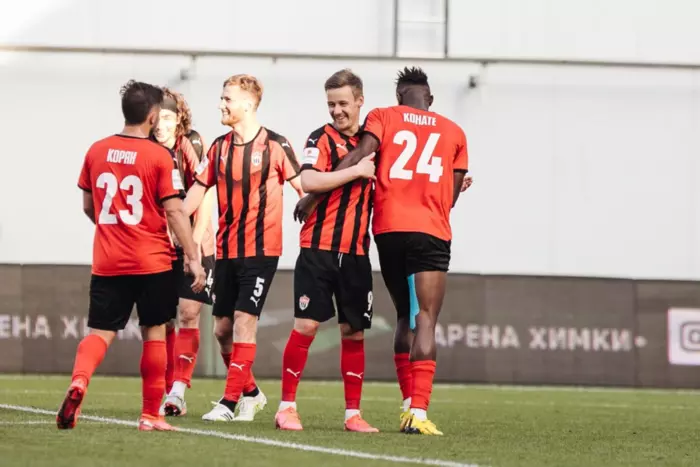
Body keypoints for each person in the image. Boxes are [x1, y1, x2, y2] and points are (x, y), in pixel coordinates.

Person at [294, 67, 470, 435]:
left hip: (388, 230)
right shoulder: (454, 132)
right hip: (430, 230)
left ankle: (407, 404)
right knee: (425, 317)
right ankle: (416, 411)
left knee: (404, 314)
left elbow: (361, 155)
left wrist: (312, 196)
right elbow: (450, 199)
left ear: (399, 97)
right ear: (430, 99)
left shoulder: (384, 117)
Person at [57, 80, 206, 432]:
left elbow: (89, 206)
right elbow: (175, 211)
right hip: (153, 261)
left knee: (101, 332)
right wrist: (192, 256)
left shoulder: (96, 150)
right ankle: (150, 415)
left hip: (108, 261)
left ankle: (79, 380)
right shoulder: (159, 156)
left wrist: (114, 230)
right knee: (154, 333)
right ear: (153, 116)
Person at [183, 74, 304, 422]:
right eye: (222, 98)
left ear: (248, 104)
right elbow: (195, 193)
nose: (221, 104)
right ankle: (251, 393)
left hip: (262, 252)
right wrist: (171, 221)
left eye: (227, 99)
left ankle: (228, 403)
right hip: (227, 251)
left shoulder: (276, 145)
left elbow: (303, 188)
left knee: (243, 321)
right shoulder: (218, 148)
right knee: (222, 331)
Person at [275, 69, 378, 433]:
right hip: (317, 249)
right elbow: (308, 180)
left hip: (356, 253)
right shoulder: (319, 138)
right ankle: (286, 408)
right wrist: (356, 171)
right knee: (306, 326)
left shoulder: (374, 143)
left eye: (343, 103)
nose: (337, 111)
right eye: (331, 104)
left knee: (354, 332)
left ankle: (353, 414)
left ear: (360, 101)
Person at [152, 88, 216, 417]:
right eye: (156, 118)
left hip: (196, 242)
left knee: (189, 312)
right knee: (162, 319)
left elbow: (205, 195)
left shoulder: (191, 143)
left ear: (179, 119)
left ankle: (178, 391)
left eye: (167, 118)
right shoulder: (145, 147)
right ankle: (167, 390)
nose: (160, 125)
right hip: (158, 245)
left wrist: (195, 244)